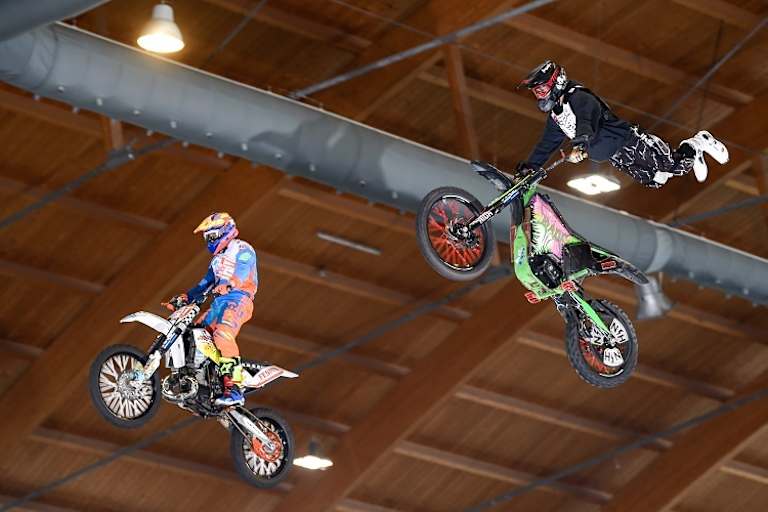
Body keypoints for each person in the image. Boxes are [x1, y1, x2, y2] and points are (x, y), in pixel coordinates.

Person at [514, 60, 729, 188]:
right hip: (617, 157)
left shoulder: (578, 97)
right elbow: (547, 143)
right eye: (536, 92)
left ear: (557, 82)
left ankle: (698, 142)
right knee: (656, 180)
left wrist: (579, 146)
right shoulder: (557, 115)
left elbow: (586, 122)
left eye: (541, 90)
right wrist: (530, 167)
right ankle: (693, 154)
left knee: (672, 165)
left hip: (629, 141)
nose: (540, 96)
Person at [166, 212, 257, 407]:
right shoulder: (217, 260)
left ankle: (234, 388)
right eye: (207, 238)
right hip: (219, 303)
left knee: (222, 335)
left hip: (238, 299)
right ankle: (204, 378)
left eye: (212, 236)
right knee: (194, 333)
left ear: (225, 230)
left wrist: (230, 283)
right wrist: (185, 297)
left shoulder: (241, 247)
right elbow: (204, 283)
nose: (209, 241)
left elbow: (242, 270)